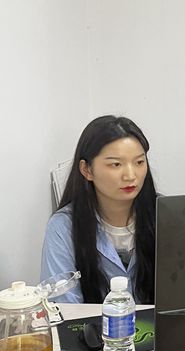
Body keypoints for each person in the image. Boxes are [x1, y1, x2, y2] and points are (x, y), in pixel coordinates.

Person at [41, 115, 158, 304]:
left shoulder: (165, 216)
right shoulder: (63, 227)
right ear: (86, 170)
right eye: (116, 164)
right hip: (91, 324)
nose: (130, 175)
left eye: (139, 162)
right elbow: (63, 306)